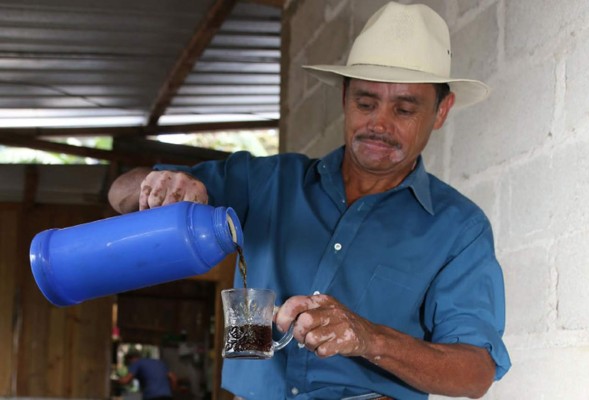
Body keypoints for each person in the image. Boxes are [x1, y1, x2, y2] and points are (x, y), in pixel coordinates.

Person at [108, 2, 511, 399]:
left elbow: (475, 373)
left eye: (405, 109)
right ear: (343, 98)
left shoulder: (458, 228)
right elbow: (120, 194)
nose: (379, 124)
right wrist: (162, 186)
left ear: (442, 111)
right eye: (365, 103)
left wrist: (368, 338)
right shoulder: (268, 181)